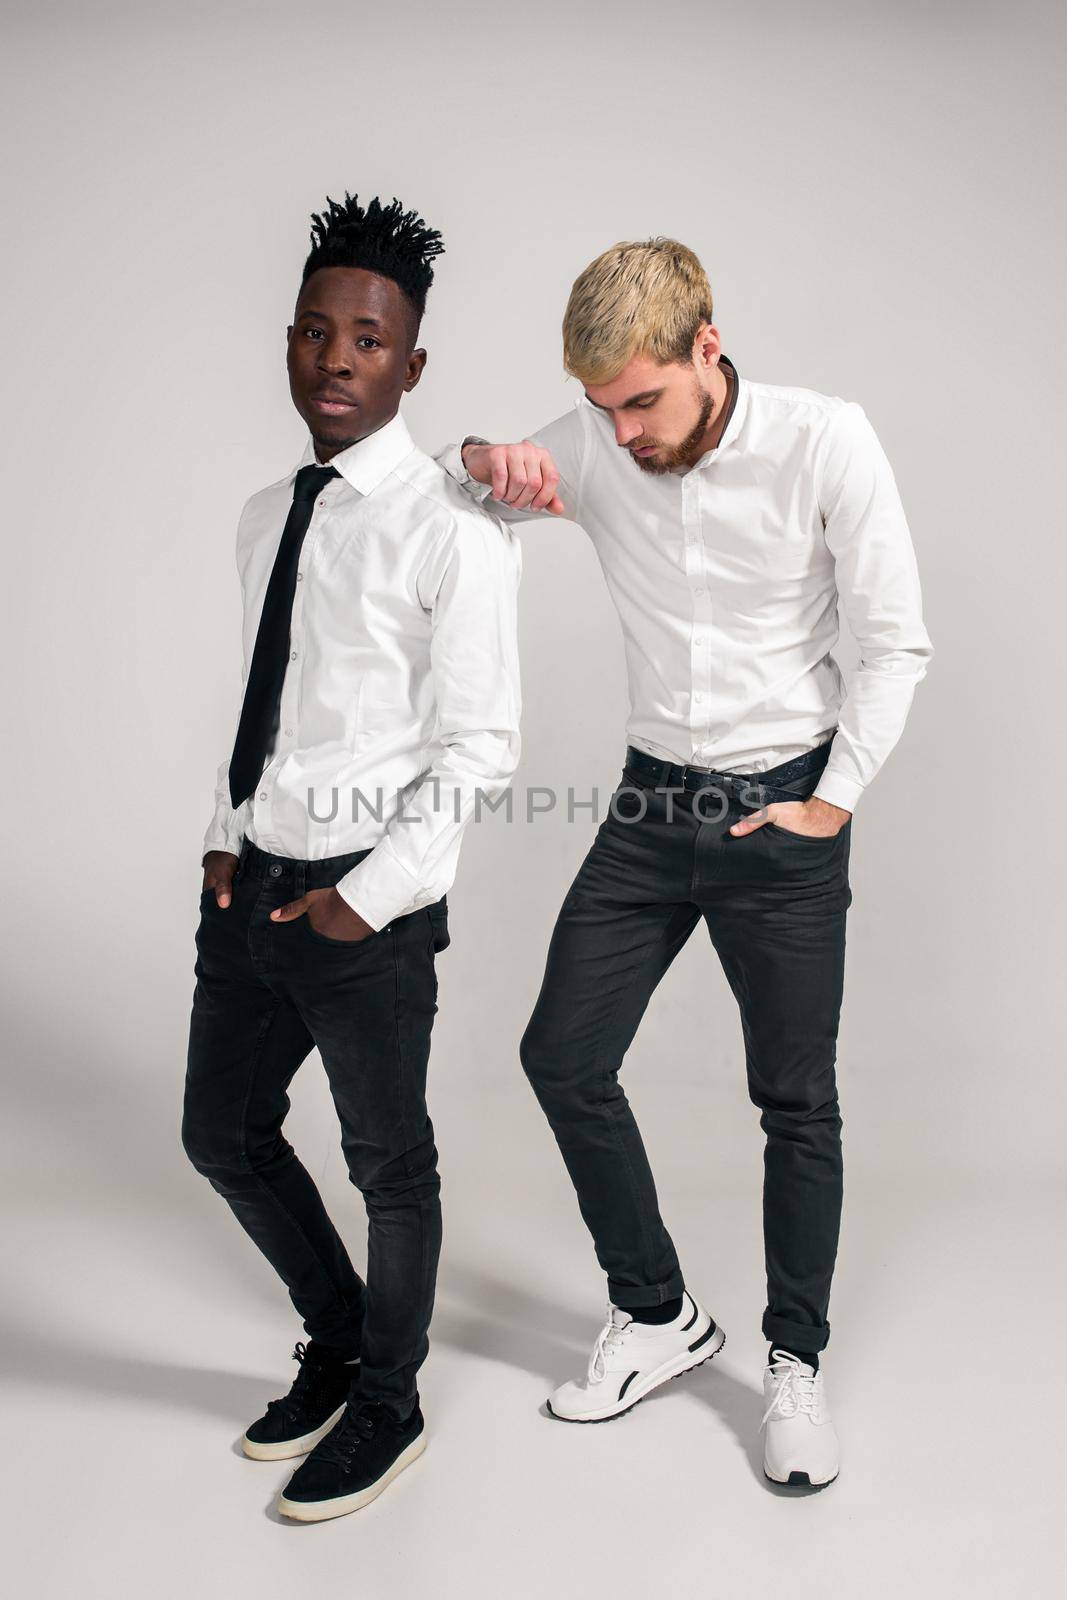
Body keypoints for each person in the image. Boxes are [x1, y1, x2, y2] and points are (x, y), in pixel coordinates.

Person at [435, 236, 932, 1487]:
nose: (623, 433)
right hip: (650, 807)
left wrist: (834, 800)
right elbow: (489, 486)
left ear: (707, 346)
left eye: (641, 400)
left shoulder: (825, 440)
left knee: (793, 1100)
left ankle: (793, 1364)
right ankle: (657, 1313)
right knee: (560, 1054)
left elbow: (893, 643)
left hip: (783, 808)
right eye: (602, 408)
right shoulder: (600, 436)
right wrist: (479, 458)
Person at [183, 192, 521, 1521]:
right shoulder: (268, 513)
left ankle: (390, 1401)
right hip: (250, 885)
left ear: (410, 364)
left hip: (364, 903)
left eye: (369, 341)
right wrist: (223, 838)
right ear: (288, 343)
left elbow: (482, 747)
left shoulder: (455, 524)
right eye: (317, 334)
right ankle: (336, 1343)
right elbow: (268, 692)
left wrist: (363, 902)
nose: (338, 359)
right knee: (221, 1132)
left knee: (390, 1164)